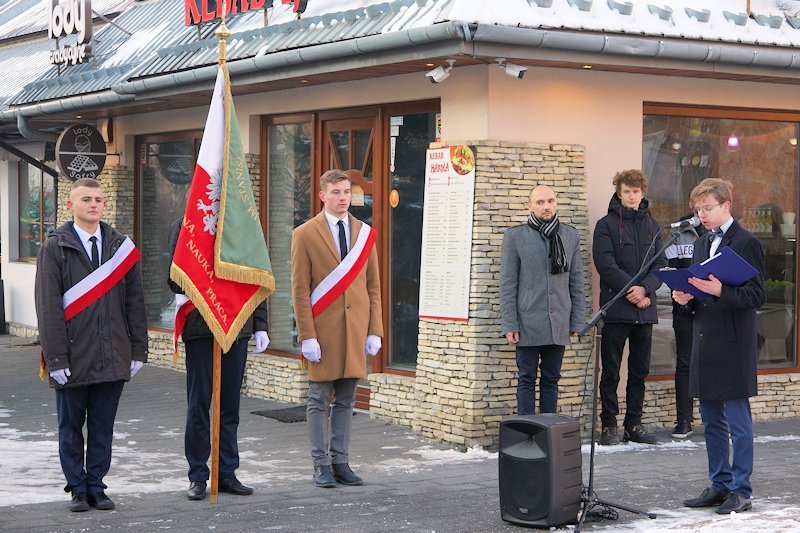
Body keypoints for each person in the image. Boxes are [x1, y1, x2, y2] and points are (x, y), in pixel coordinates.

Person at [35, 177, 148, 512]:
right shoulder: (55, 247)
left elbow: (135, 302)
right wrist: (55, 358)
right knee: (70, 427)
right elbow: (48, 307)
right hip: (72, 354)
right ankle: (77, 488)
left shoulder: (119, 246)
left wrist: (138, 349)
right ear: (71, 205)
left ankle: (97, 485)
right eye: (86, 199)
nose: (94, 205)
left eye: (98, 199)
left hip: (113, 353)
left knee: (102, 427)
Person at [674, 178, 765, 514]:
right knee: (711, 422)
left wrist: (718, 291)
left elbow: (757, 296)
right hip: (705, 341)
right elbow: (698, 293)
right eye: (699, 209)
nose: (703, 214)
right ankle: (719, 485)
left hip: (733, 343)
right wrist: (685, 298)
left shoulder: (747, 242)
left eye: (708, 208)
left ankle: (741, 490)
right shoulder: (700, 244)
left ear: (727, 205)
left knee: (738, 424)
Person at [291, 169, 383, 488]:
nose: (343, 198)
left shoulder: (363, 233)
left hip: (355, 330)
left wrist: (375, 330)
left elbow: (373, 286)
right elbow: (300, 289)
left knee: (347, 398)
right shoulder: (304, 234)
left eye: (347, 192)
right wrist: (307, 336)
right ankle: (320, 464)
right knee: (318, 399)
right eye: (336, 192)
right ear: (322, 196)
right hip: (323, 332)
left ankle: (341, 461)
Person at [167, 218, 270, 501]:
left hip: (237, 326)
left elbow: (258, 277)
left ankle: (226, 472)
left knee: (230, 407)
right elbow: (173, 277)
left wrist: (261, 324)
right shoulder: (186, 224)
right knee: (199, 404)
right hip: (201, 328)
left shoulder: (245, 223)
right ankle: (198, 475)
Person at [592, 169, 665, 446]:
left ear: (642, 193)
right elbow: (606, 265)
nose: (632, 196)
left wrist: (645, 289)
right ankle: (609, 425)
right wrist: (632, 291)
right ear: (619, 193)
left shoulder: (653, 226)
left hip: (645, 309)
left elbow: (660, 265)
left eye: (636, 191)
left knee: (639, 372)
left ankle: (634, 424)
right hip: (616, 308)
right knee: (610, 372)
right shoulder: (605, 225)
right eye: (626, 192)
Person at [500, 184, 585, 414]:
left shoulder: (569, 235)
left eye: (550, 201)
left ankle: (548, 433)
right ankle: (526, 434)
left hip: (558, 321)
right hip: (527, 322)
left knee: (551, 380)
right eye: (540, 202)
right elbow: (508, 284)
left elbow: (576, 282)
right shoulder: (515, 236)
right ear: (530, 206)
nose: (546, 206)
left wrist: (577, 322)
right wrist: (509, 323)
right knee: (526, 379)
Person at [665, 213, 702, 439]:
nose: (702, 212)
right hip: (684, 309)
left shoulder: (722, 234)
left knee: (715, 362)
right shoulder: (679, 232)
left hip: (714, 309)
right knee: (685, 362)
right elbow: (671, 268)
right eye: (698, 206)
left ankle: (719, 419)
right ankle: (684, 419)